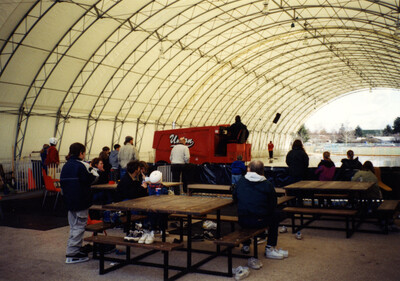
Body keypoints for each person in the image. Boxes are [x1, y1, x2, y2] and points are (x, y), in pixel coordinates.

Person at [233, 160, 288, 263]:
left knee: (246, 210)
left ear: (249, 169)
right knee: (275, 215)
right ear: (262, 170)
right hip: (259, 221)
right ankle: (270, 247)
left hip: (243, 220)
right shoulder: (267, 184)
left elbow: (235, 198)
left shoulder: (241, 181)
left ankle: (246, 245)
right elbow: (273, 204)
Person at [60, 142, 98, 264]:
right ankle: (72, 253)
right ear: (81, 153)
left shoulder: (66, 166)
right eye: (84, 152)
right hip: (80, 201)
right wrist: (93, 171)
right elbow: (90, 179)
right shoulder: (81, 166)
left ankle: (74, 249)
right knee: (79, 227)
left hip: (69, 202)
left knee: (73, 226)